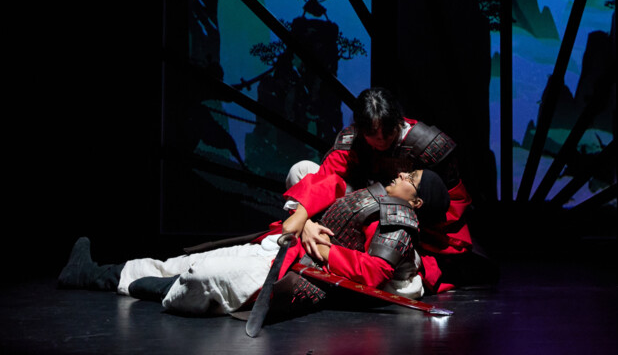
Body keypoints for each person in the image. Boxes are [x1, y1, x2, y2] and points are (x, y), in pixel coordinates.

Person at [57, 170, 451, 318]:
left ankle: (116, 281)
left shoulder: (398, 223)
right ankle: (91, 273)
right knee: (178, 264)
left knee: (204, 277)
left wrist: (322, 248)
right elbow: (329, 185)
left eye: (411, 178)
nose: (402, 174)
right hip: (283, 247)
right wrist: (304, 220)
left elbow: (374, 272)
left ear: (416, 202)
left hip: (296, 270)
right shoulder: (374, 194)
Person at [282, 87, 489, 292]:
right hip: (358, 211)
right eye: (372, 134)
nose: (381, 140)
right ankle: (312, 235)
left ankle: (390, 271)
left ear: (398, 120)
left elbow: (452, 205)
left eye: (388, 132)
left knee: (398, 276)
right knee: (302, 169)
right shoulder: (352, 141)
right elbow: (325, 178)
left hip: (408, 228)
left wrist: (403, 218)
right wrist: (306, 220)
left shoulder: (430, 147)